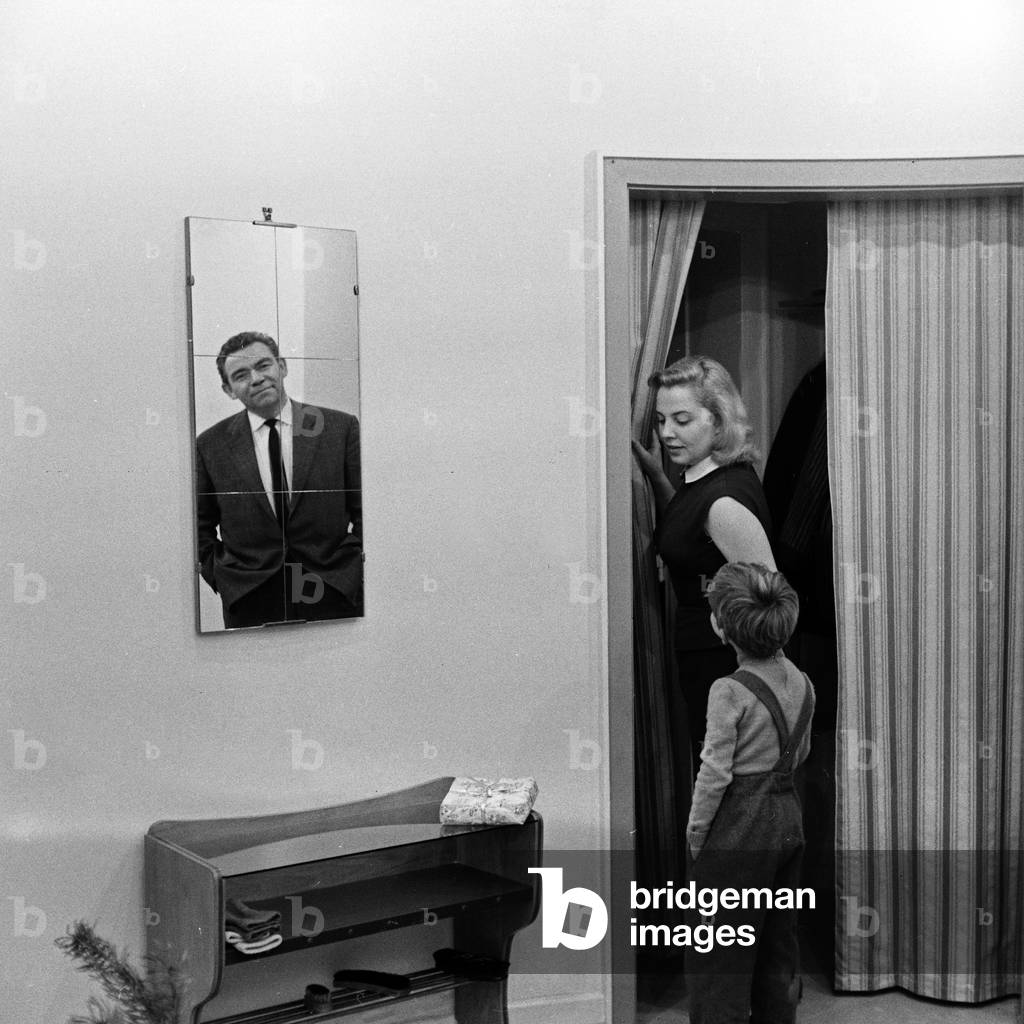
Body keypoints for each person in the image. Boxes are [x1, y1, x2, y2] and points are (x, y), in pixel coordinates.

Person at [686, 561, 815, 1024]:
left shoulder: (728, 690)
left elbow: (714, 774)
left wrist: (697, 834)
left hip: (739, 830)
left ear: (722, 626)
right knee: (778, 943)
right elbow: (801, 753)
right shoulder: (802, 681)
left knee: (718, 953)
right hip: (787, 818)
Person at [633, 355, 775, 767]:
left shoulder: (724, 502)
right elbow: (687, 528)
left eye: (682, 420)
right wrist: (658, 479)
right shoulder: (702, 478)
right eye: (661, 421)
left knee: (724, 780)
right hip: (704, 657)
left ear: (717, 419)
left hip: (724, 665)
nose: (667, 433)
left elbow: (768, 600)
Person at [196, 331, 363, 628]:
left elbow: (366, 510)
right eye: (241, 375)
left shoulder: (340, 428)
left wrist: (350, 569)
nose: (257, 378)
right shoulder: (210, 445)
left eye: (263, 365)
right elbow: (200, 527)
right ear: (228, 389)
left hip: (332, 588)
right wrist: (224, 578)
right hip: (251, 597)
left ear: (282, 367)